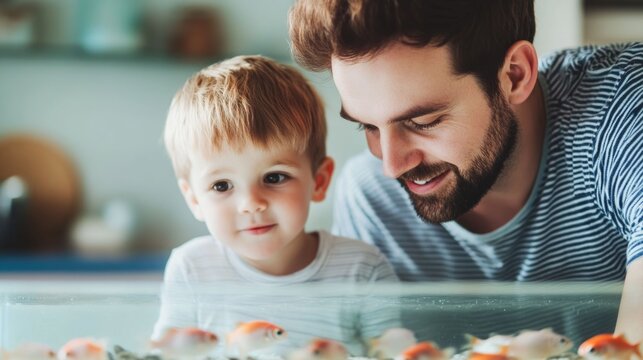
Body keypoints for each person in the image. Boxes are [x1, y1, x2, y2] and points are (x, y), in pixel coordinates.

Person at [288, 0, 642, 344]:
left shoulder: (623, 113)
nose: (391, 166)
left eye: (422, 122)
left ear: (514, 75)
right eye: (368, 127)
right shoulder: (372, 200)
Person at [151, 55, 399, 357]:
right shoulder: (191, 269)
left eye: (274, 177)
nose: (251, 204)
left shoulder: (363, 268)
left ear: (319, 182)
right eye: (222, 186)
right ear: (194, 199)